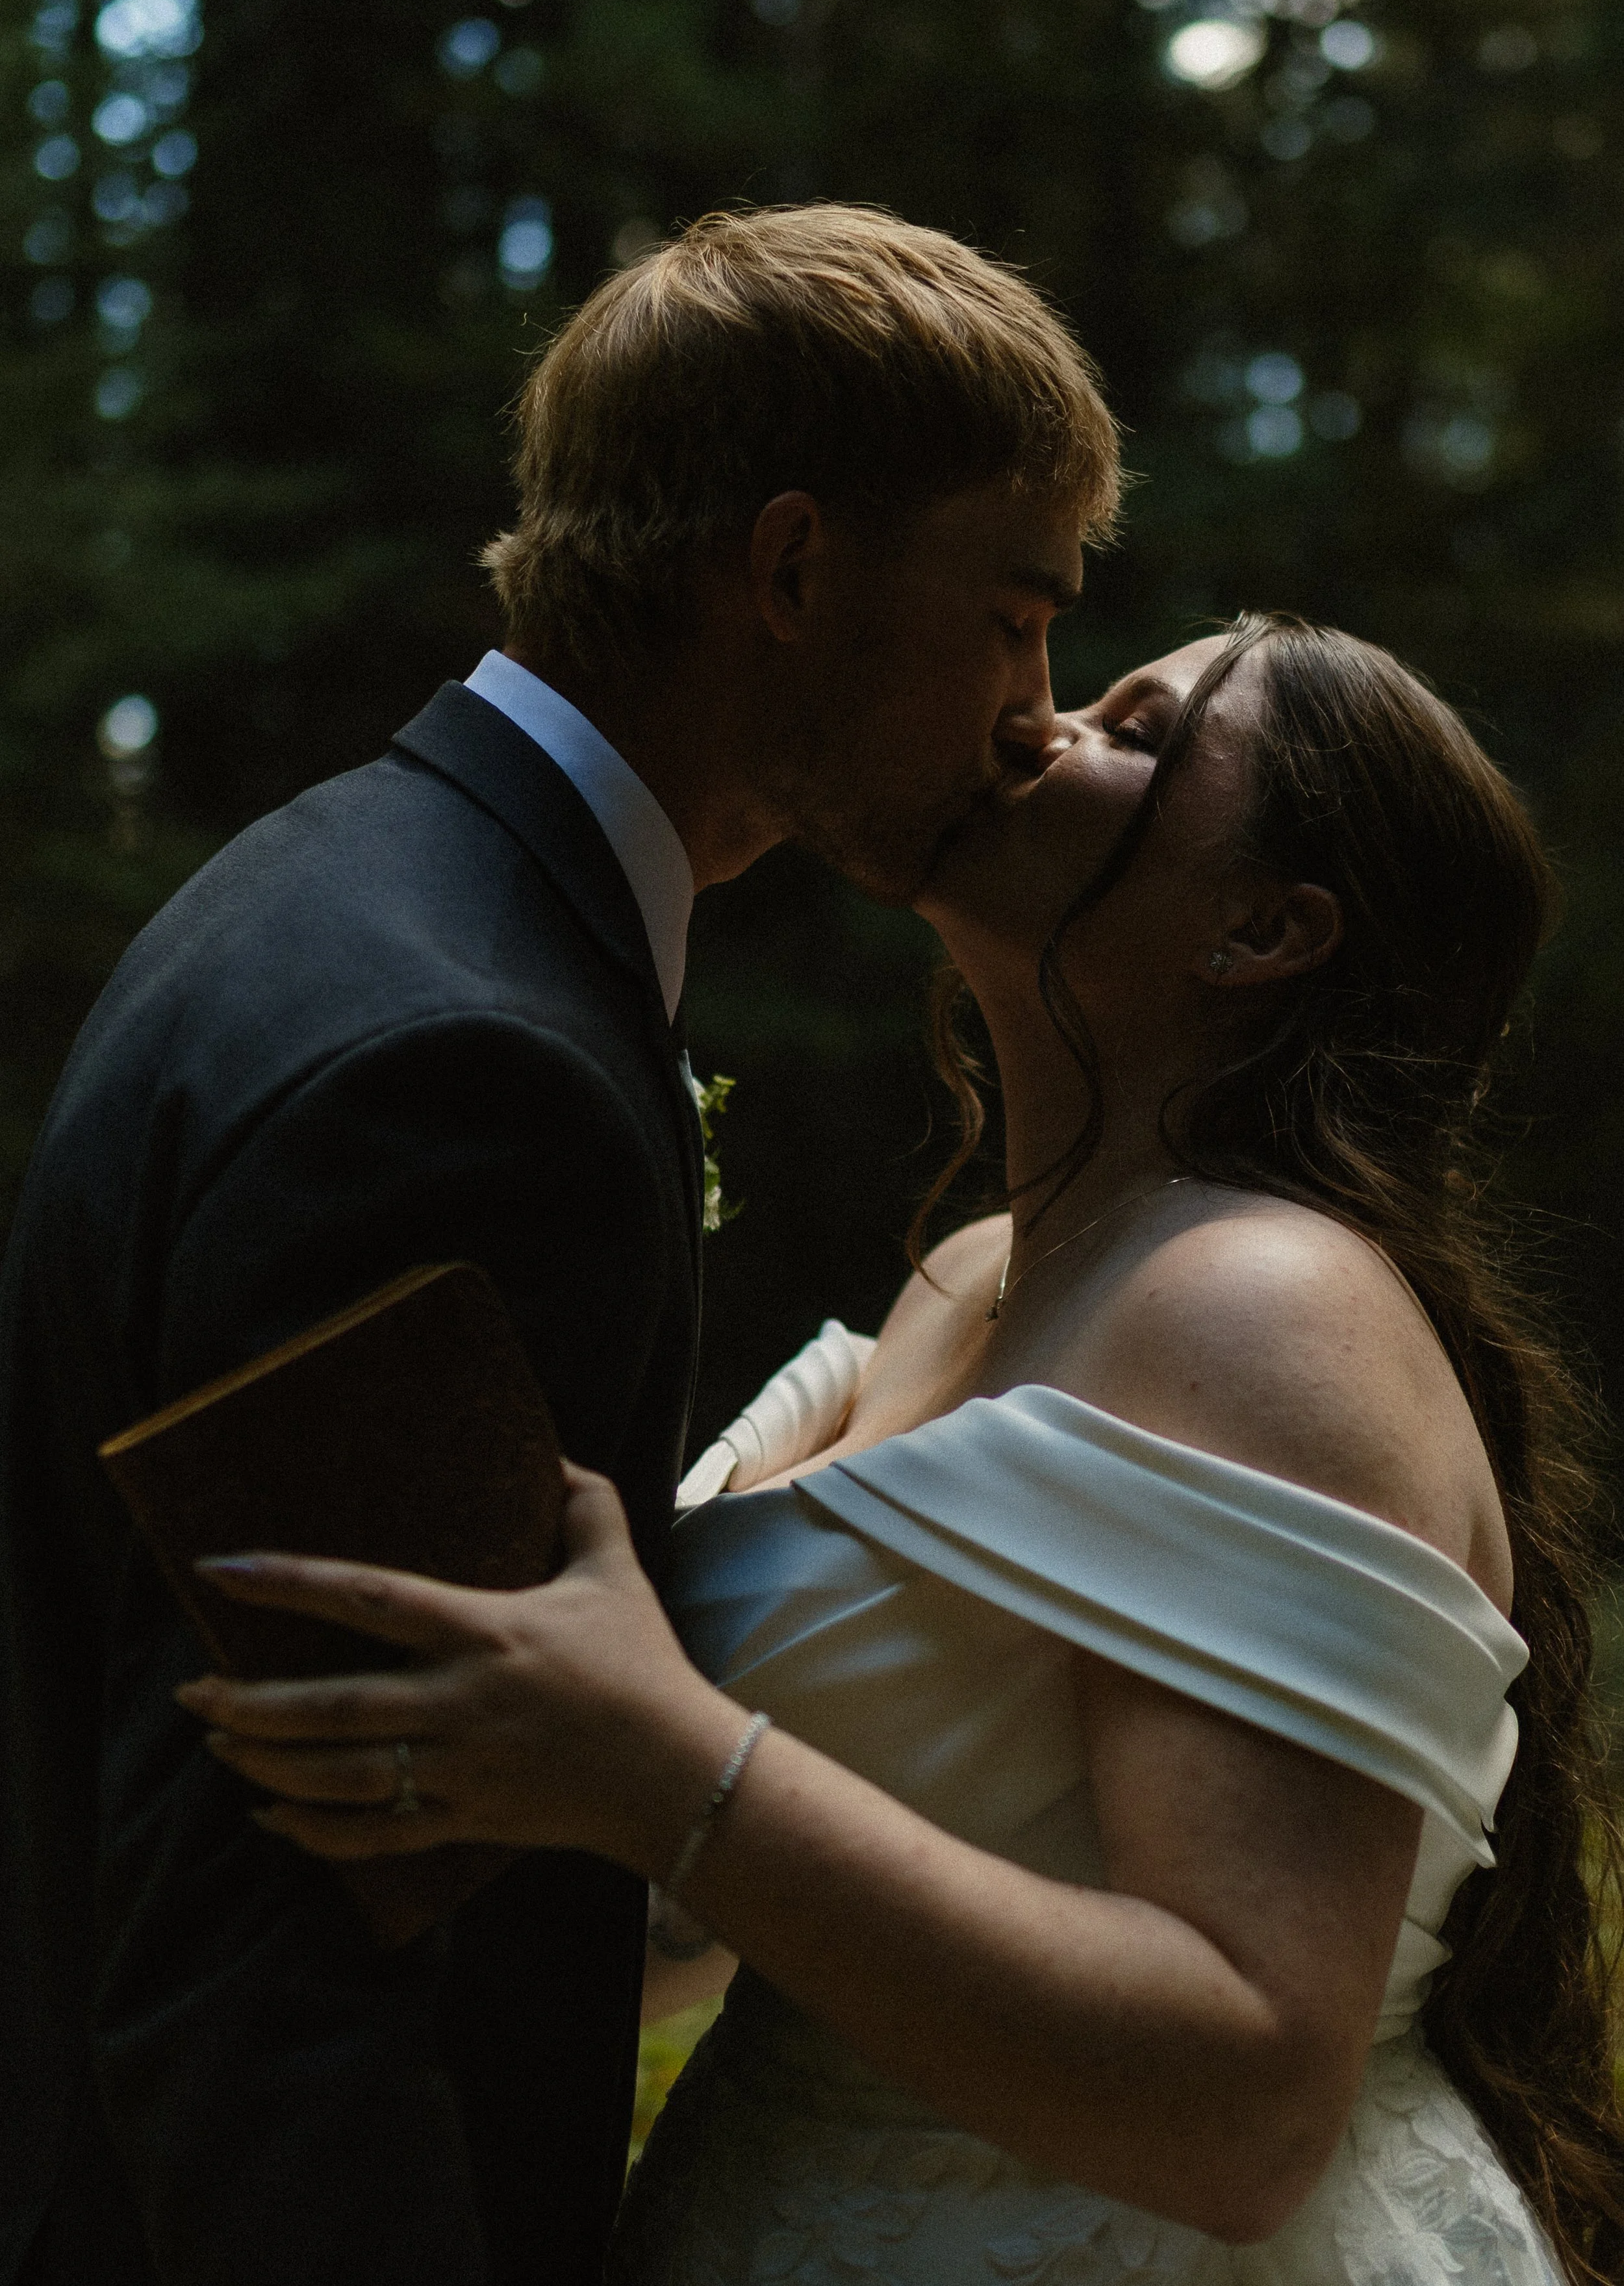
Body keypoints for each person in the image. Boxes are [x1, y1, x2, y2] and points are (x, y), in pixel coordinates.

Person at [184, 618, 1624, 2285]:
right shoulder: (965, 1284)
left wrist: (652, 1768)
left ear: (1261, 928)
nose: (1032, 725)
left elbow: (1244, 2110)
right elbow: (815, 1875)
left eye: (1134, 727)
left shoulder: (1258, 1306)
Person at [0, 204, 1120, 2286]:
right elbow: (283, 1922)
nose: (1033, 715)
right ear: (789, 570)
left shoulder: (357, 878)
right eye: (1015, 614)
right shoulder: (458, 1057)